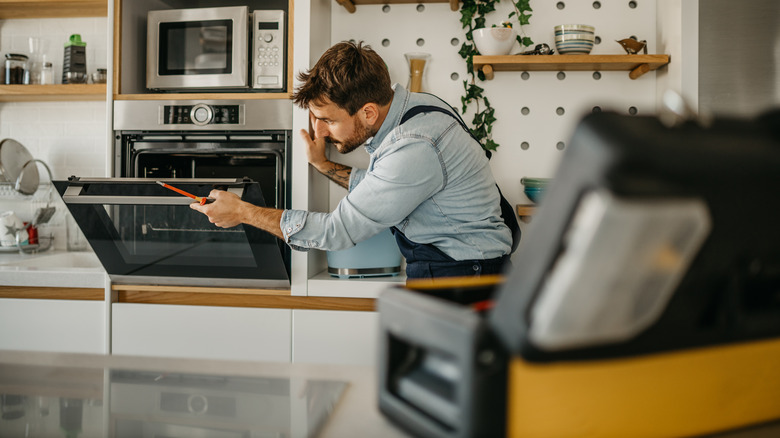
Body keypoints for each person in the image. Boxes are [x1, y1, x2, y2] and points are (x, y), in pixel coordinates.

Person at [191, 41, 516, 280]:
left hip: (462, 278)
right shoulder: (417, 107)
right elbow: (384, 187)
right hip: (464, 269)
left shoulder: (414, 145)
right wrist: (323, 165)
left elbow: (337, 232)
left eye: (328, 120)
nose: (319, 130)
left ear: (368, 112)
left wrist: (243, 211)